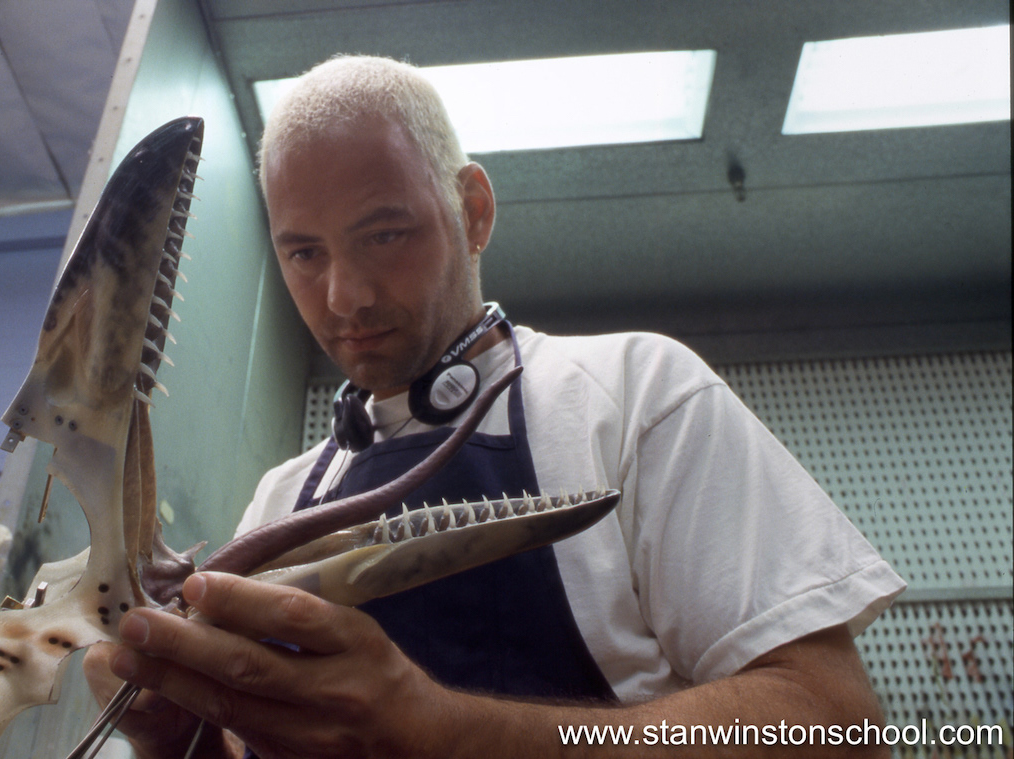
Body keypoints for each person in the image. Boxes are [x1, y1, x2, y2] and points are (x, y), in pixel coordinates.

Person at [85, 55, 906, 758]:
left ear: (473, 210)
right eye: (304, 252)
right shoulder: (280, 499)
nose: (345, 296)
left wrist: (448, 733)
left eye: (385, 233)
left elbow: (833, 723)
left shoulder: (633, 394)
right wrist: (175, 734)